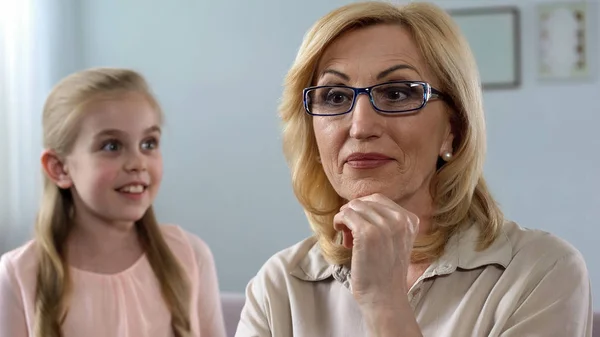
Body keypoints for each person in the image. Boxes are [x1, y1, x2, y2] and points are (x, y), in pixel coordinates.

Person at [235, 2, 593, 337]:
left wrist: (384, 303)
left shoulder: (542, 272)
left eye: (397, 94)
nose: (360, 127)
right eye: (335, 97)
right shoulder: (279, 286)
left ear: (453, 129)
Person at [0, 68, 227, 337]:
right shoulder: (18, 276)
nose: (138, 163)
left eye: (149, 143)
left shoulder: (190, 256)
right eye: (112, 146)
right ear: (59, 168)